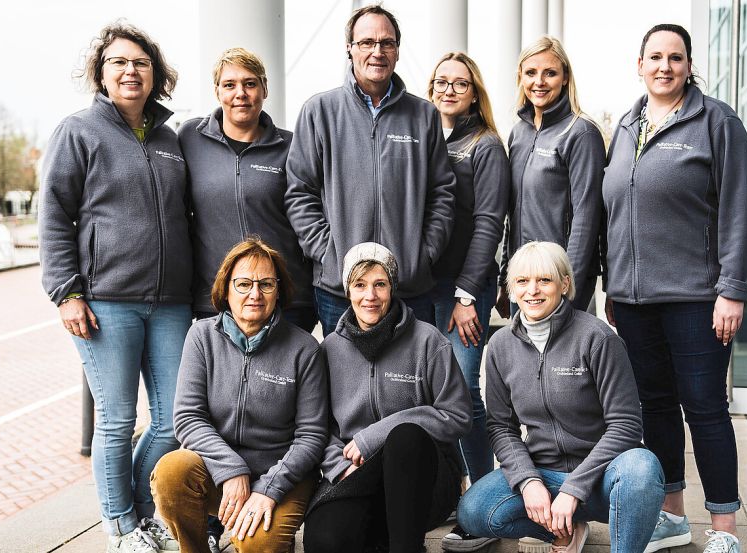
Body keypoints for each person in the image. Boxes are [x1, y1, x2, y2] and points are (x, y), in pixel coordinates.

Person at [601, 24, 747, 553]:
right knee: (655, 408)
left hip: (697, 298)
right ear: (639, 65)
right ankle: (672, 516)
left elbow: (741, 210)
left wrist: (732, 289)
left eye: (675, 57)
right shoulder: (627, 126)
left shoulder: (717, 122)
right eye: (655, 57)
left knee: (705, 408)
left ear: (690, 65)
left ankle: (725, 530)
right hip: (634, 301)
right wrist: (613, 284)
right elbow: (614, 212)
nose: (664, 66)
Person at [39, 22, 190, 553]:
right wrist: (66, 292)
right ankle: (121, 528)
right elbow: (53, 215)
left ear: (155, 74)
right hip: (106, 302)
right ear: (101, 74)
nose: (130, 71)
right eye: (118, 62)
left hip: (171, 302)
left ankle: (143, 513)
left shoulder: (170, 140)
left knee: (174, 420)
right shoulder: (78, 132)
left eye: (141, 62)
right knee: (118, 419)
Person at [457, 241, 663, 553]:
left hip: (604, 477)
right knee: (473, 510)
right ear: (511, 288)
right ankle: (563, 530)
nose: (532, 291)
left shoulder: (598, 338)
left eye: (544, 280)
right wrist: (528, 481)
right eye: (522, 281)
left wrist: (574, 488)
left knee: (642, 469)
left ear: (564, 284)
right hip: (545, 475)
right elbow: (501, 426)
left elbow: (626, 425)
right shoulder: (500, 346)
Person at [285, 4, 456, 336]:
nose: (377, 51)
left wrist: (422, 255)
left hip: (409, 287)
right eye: (366, 42)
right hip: (341, 290)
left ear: (397, 51)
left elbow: (443, 194)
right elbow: (300, 193)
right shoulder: (319, 112)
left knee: (415, 370)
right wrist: (330, 255)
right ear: (349, 48)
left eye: (386, 43)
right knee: (343, 370)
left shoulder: (424, 116)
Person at [151, 238, 328, 553]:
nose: (255, 294)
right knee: (171, 473)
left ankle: (274, 536)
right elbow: (188, 417)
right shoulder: (201, 337)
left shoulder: (304, 349)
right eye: (244, 284)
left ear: (279, 291)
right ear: (226, 289)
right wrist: (232, 469)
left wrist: (270, 488)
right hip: (218, 470)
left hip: (283, 476)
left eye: (266, 284)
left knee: (257, 544)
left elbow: (312, 436)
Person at [303, 242, 471, 553]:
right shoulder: (329, 350)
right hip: (355, 472)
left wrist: (375, 435)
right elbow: (316, 426)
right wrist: (338, 466)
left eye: (380, 284)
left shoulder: (428, 341)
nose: (370, 295)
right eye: (360, 285)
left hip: (423, 480)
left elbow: (458, 415)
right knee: (324, 541)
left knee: (405, 437)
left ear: (392, 287)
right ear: (348, 291)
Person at [423, 51, 510, 552]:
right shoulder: (427, 139)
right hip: (422, 287)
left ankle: (483, 503)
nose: (449, 90)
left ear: (475, 92)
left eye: (460, 83)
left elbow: (488, 223)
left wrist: (466, 293)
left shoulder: (485, 146)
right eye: (441, 82)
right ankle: (452, 493)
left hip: (464, 291)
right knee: (434, 396)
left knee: (462, 394)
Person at [180, 47, 316, 333]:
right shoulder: (190, 139)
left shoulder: (292, 147)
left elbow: (311, 212)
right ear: (217, 91)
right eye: (229, 85)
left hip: (285, 301)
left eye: (250, 83)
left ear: (265, 89)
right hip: (216, 302)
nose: (240, 93)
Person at [496, 36, 606, 317]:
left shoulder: (581, 133)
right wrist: (506, 279)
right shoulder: (518, 134)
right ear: (520, 77)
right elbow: (513, 214)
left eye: (550, 73)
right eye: (531, 73)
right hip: (524, 280)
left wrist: (569, 286)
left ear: (565, 77)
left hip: (560, 282)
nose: (539, 82)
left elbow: (587, 217)